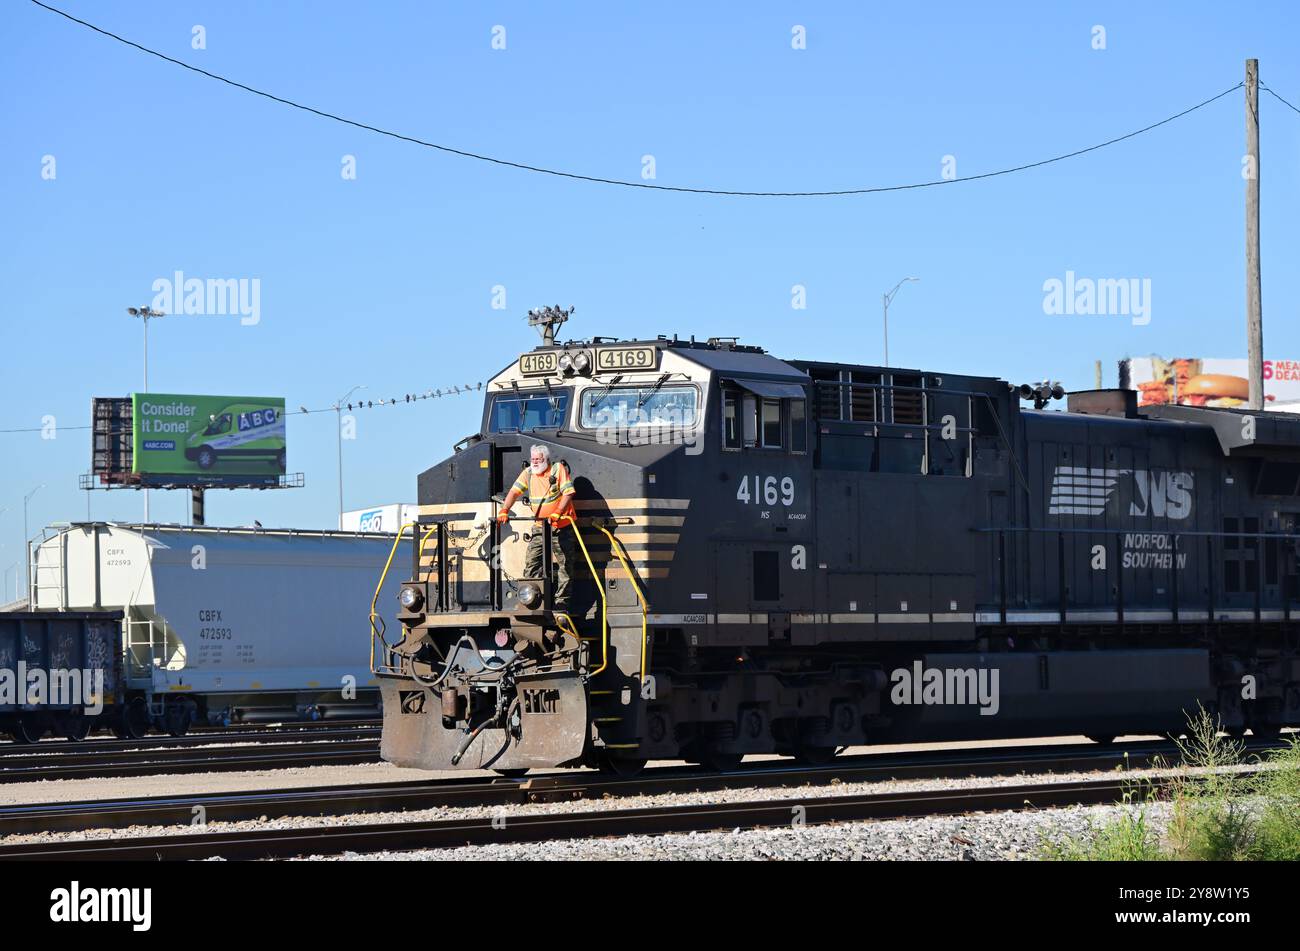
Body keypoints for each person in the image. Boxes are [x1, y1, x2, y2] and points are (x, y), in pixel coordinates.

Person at [496, 445, 577, 613]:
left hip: (562, 527)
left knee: (565, 565)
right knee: (531, 562)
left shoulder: (557, 469)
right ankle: (531, 601)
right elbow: (513, 492)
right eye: (532, 459)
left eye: (538, 459)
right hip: (540, 527)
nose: (534, 462)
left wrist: (557, 513)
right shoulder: (528, 473)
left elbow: (568, 493)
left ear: (546, 459)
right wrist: (504, 510)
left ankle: (561, 604)